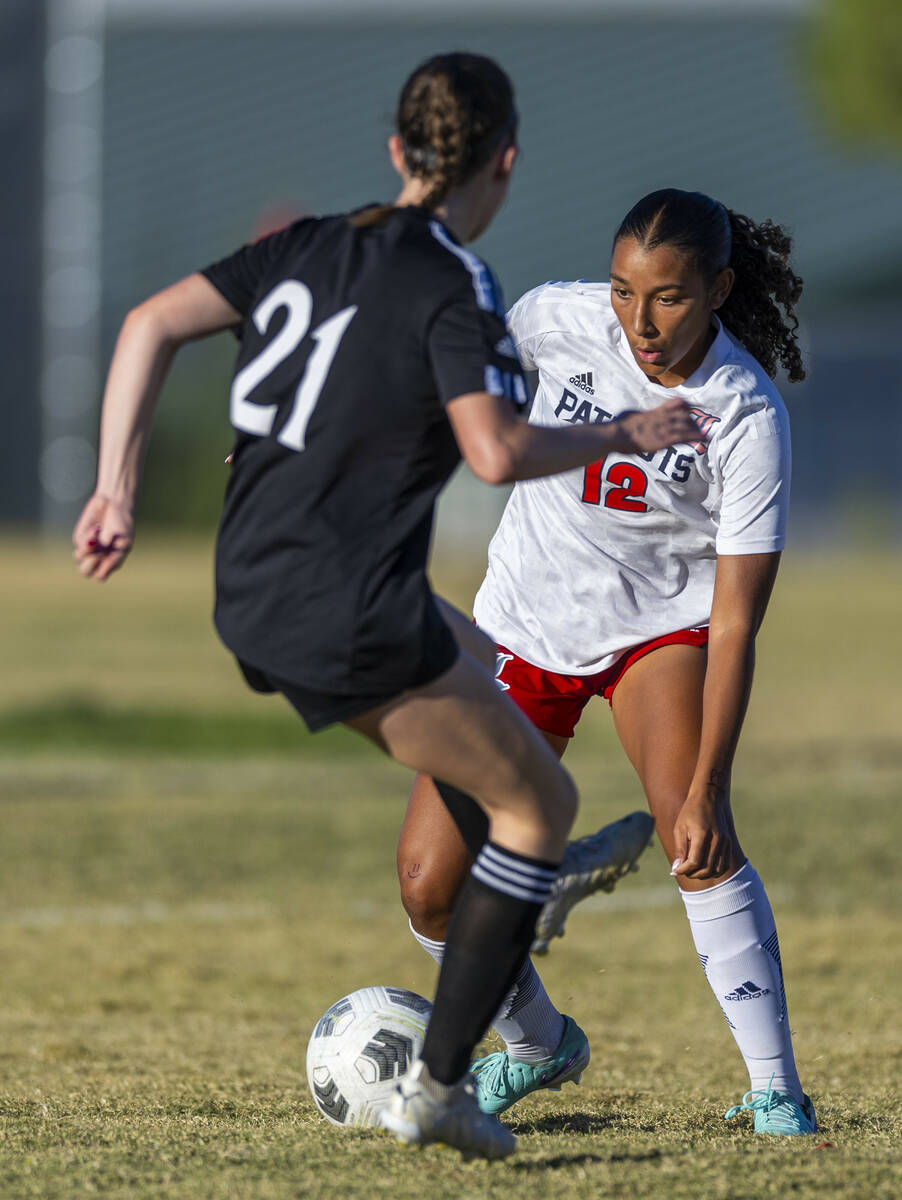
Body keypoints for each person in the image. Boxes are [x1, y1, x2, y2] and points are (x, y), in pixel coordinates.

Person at [72, 58, 702, 1160]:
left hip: (253, 581)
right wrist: (621, 433)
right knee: (536, 802)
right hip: (339, 609)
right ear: (502, 161)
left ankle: (521, 893)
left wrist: (114, 490)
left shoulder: (306, 243)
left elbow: (145, 325)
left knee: (480, 650)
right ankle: (444, 1085)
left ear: (398, 153)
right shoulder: (455, 282)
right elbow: (494, 451)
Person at [396, 188, 818, 1137]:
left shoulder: (743, 413)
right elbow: (461, 399)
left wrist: (711, 783)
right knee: (428, 882)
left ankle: (776, 1090)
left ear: (718, 289)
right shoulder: (556, 317)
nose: (641, 321)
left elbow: (739, 623)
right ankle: (538, 1042)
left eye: (668, 298)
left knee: (693, 837)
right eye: (626, 292)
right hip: (522, 623)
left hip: (656, 634)